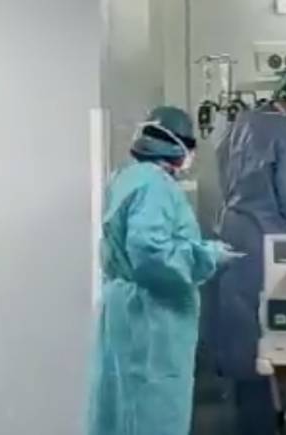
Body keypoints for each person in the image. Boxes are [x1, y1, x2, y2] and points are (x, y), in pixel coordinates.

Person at [90, 106, 242, 435]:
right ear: (179, 145)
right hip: (151, 318)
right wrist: (206, 256)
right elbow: (150, 252)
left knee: (122, 409)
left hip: (127, 310)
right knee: (152, 409)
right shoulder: (156, 186)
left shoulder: (127, 177)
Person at [214, 69, 286, 435]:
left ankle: (249, 422)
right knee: (273, 341)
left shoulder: (238, 125)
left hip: (233, 237)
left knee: (243, 339)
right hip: (268, 245)